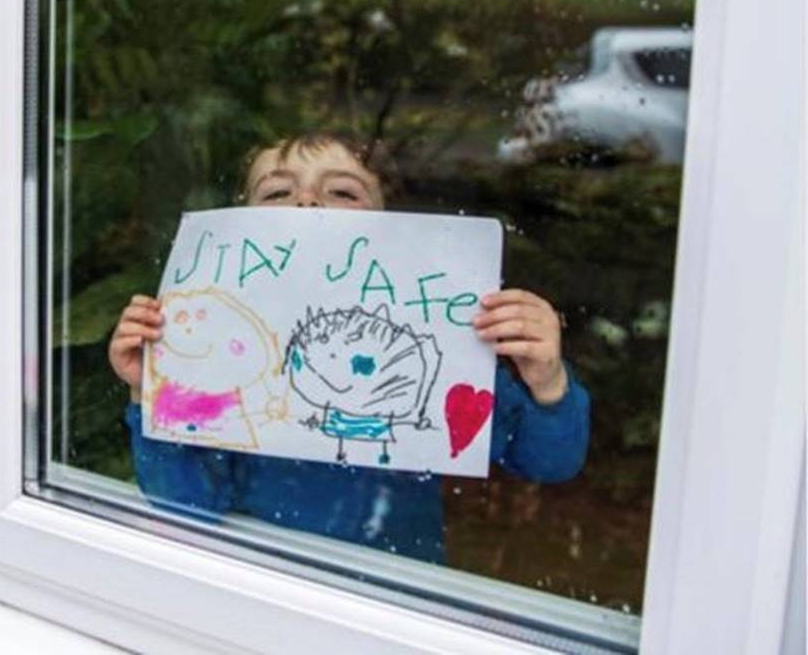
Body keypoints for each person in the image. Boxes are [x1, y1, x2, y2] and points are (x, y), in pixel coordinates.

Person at [108, 131, 590, 564]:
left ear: (391, 220)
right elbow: (185, 505)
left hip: (395, 601)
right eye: (278, 193)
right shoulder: (224, 350)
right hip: (258, 588)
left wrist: (546, 381)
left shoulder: (440, 338)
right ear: (240, 219)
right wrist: (152, 392)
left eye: (342, 192)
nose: (308, 204)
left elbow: (548, 464)